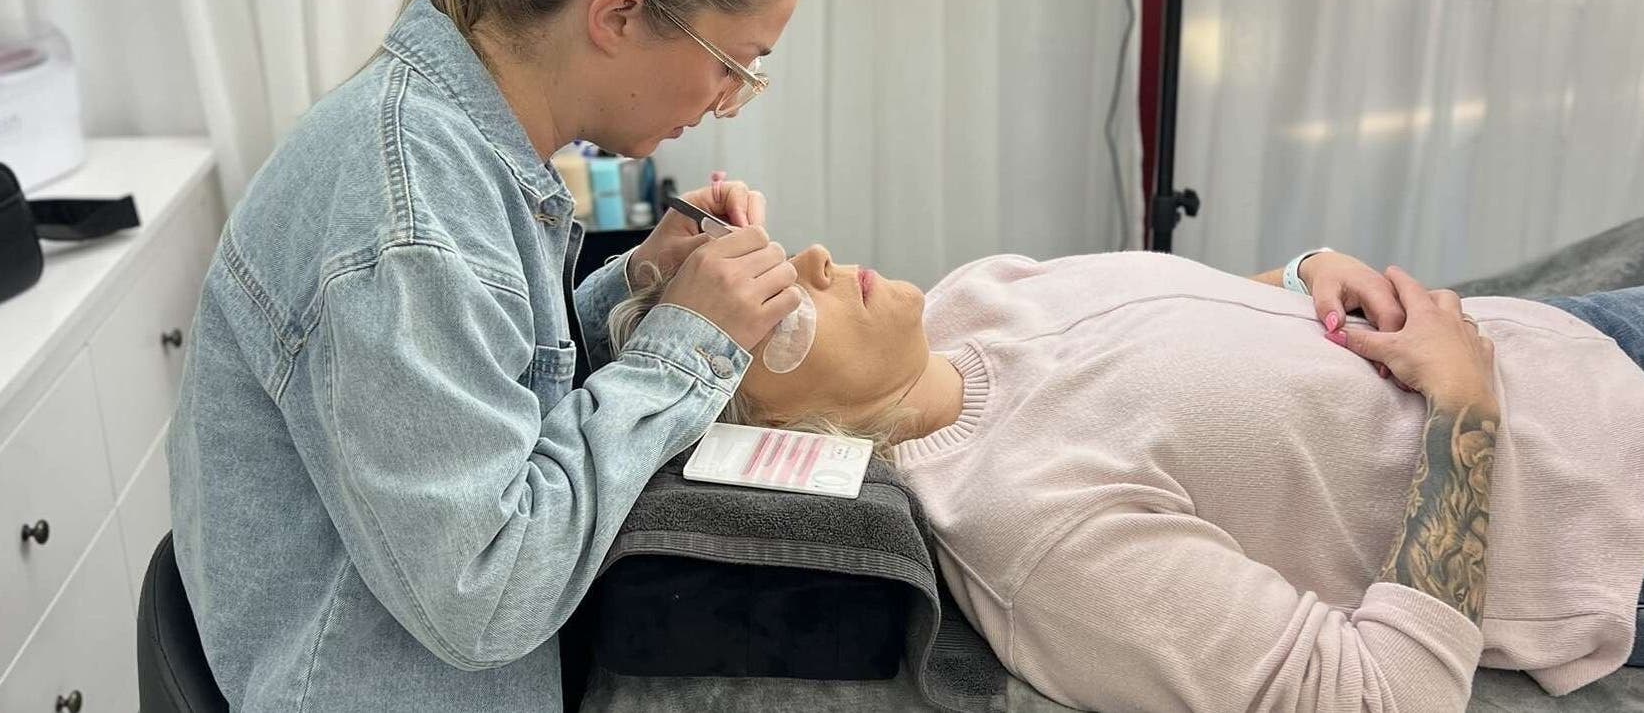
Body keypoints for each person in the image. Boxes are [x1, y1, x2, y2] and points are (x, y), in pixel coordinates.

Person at [166, 0, 814, 710]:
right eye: (734, 65)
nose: (727, 101)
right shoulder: (410, 215)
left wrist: (640, 287)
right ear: (619, 16)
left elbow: (484, 390)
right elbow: (489, 592)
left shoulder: (453, 154)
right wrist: (683, 353)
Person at [609, 243, 1644, 712]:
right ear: (780, 431)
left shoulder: (976, 299)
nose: (824, 258)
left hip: (1579, 341)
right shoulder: (1040, 533)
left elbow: (1169, 333)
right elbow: (1385, 696)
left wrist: (1297, 277)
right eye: (789, 298)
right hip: (1609, 498)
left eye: (787, 251)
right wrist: (1465, 411)